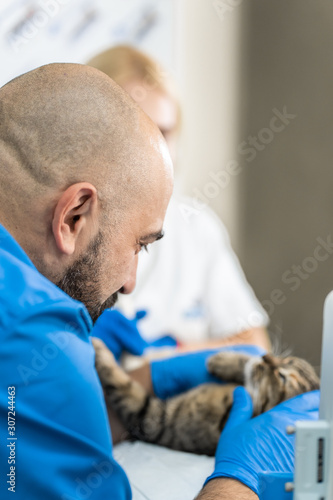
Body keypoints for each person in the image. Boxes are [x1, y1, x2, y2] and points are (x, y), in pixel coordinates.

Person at [0, 63, 319, 500]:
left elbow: (25, 446)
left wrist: (145, 383)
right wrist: (239, 479)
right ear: (74, 216)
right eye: (140, 244)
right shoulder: (32, 333)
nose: (131, 283)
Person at [87, 45, 271, 354]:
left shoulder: (195, 228)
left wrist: (165, 357)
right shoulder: (63, 228)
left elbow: (253, 343)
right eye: (137, 130)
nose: (152, 150)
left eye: (164, 132)